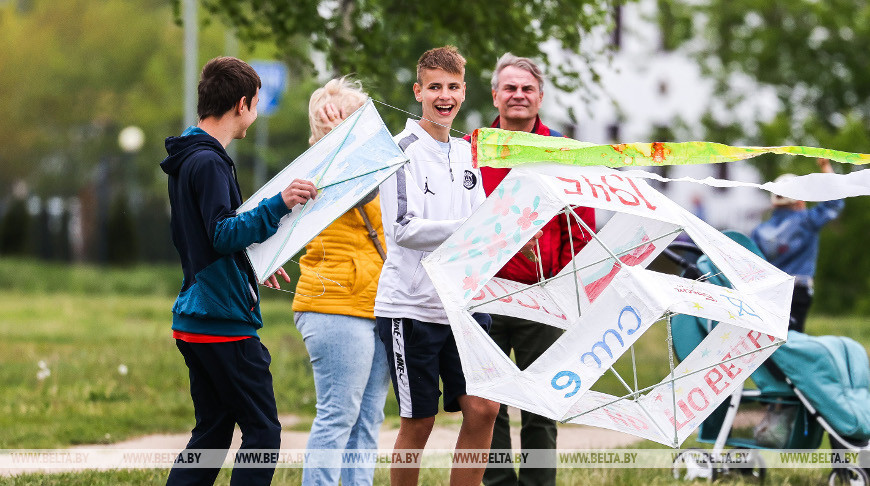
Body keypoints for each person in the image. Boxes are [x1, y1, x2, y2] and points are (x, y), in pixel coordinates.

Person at [376, 46, 538, 486]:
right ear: (418, 91)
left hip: (463, 304)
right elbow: (405, 229)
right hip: (410, 306)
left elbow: (483, 220)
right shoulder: (399, 151)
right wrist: (472, 226)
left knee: (485, 408)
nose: (443, 96)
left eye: (452, 87)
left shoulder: (468, 151)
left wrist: (510, 230)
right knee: (420, 423)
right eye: (434, 88)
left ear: (464, 91)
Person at [160, 56, 317, 486]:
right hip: (222, 322)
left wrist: (252, 266)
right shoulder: (209, 162)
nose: (256, 112)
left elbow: (204, 239)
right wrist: (279, 203)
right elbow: (221, 233)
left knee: (211, 434)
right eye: (257, 103)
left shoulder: (191, 156)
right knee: (263, 432)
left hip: (197, 317)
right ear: (242, 103)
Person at [464, 53, 596, 486]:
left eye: (526, 88)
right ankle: (498, 483)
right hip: (483, 295)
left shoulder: (563, 150)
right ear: (495, 95)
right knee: (490, 407)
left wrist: (557, 281)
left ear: (540, 96)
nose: (518, 95)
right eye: (510, 88)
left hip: (544, 297)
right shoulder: (470, 149)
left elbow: (582, 226)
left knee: (542, 405)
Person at [291, 77, 390, 486]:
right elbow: (355, 192)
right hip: (334, 304)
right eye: (348, 120)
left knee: (368, 420)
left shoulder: (377, 167)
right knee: (338, 417)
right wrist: (333, 142)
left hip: (379, 302)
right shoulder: (316, 172)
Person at [751, 158, 844, 333]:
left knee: (771, 339)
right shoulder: (806, 221)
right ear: (800, 201)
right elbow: (835, 202)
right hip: (798, 290)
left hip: (770, 293)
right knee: (793, 339)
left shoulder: (759, 231)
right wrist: (825, 166)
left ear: (773, 202)